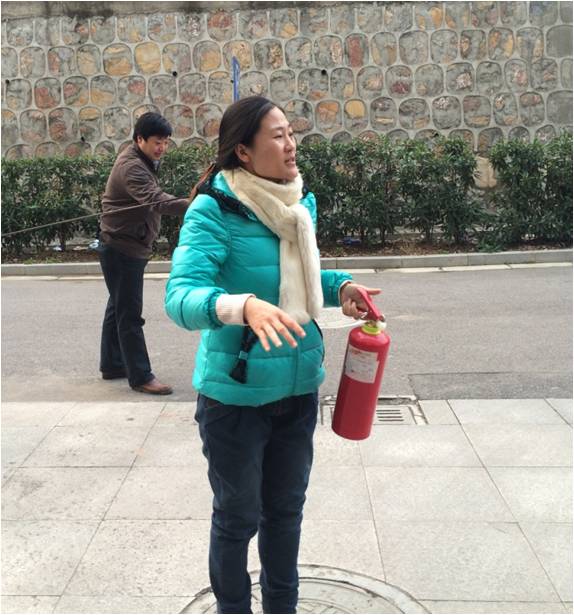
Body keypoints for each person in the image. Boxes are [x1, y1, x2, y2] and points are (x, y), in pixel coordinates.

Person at [165, 96, 381, 614]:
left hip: (298, 390)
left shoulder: (297, 204)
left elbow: (297, 279)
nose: (291, 145)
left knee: (285, 514)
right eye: (278, 135)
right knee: (236, 518)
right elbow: (180, 296)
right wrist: (241, 306)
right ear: (243, 150)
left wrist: (340, 286)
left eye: (291, 133)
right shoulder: (213, 209)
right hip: (235, 400)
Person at [98, 112, 189, 395]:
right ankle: (141, 377)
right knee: (129, 315)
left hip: (124, 244)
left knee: (118, 307)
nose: (162, 148)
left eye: (165, 142)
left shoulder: (141, 159)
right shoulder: (132, 167)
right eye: (157, 142)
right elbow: (156, 201)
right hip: (122, 249)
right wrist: (196, 205)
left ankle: (112, 364)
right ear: (140, 139)